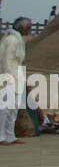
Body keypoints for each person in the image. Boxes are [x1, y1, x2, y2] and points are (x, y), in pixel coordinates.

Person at [0, 17, 30, 146]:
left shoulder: (18, 39)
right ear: (22, 27)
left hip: (17, 77)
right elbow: (5, 60)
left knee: (13, 109)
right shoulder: (11, 40)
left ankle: (10, 135)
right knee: (5, 109)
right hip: (9, 78)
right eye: (28, 27)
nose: (29, 30)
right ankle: (1, 136)